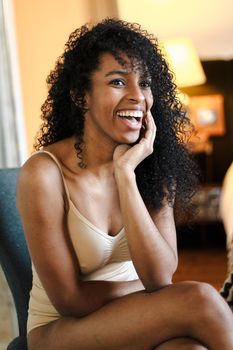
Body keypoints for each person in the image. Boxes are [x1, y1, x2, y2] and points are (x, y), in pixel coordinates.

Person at [17, 18, 233, 350]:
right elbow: (70, 300)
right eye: (118, 82)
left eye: (144, 83)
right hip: (61, 331)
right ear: (81, 96)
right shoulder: (44, 174)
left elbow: (161, 276)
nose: (137, 96)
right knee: (200, 299)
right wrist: (144, 290)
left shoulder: (153, 166)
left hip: (134, 315)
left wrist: (126, 175)